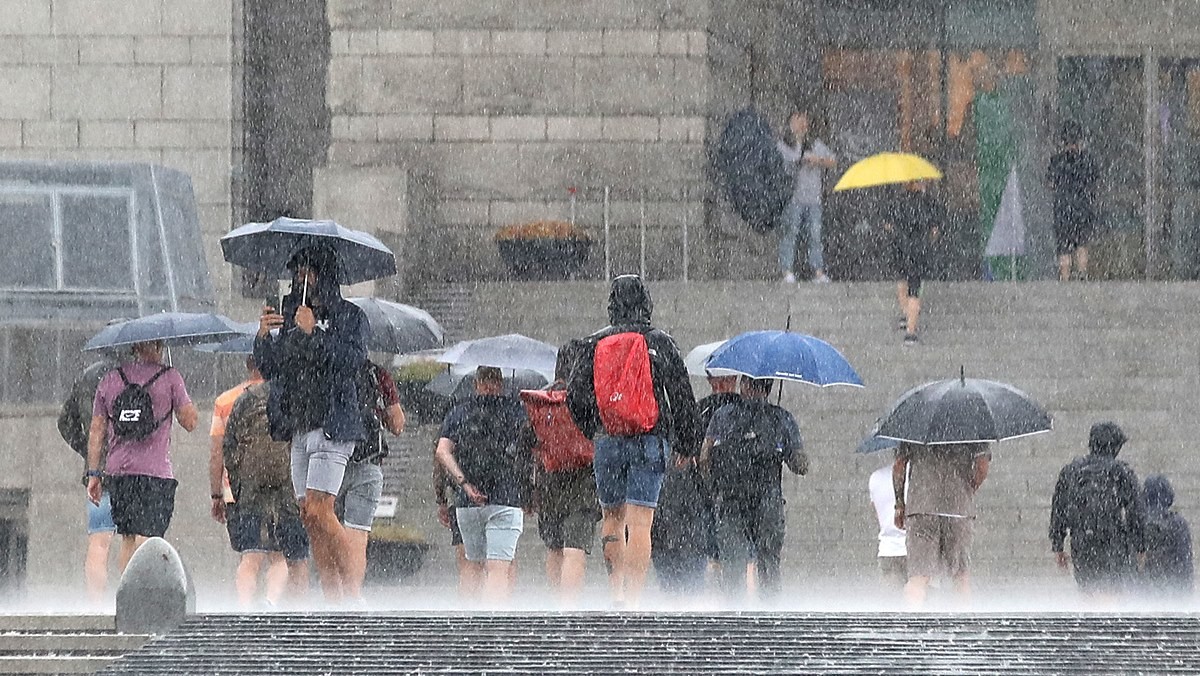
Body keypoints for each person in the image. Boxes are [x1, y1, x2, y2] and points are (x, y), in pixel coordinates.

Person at [566, 274, 699, 607]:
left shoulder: (593, 343)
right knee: (641, 520)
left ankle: (617, 592)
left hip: (609, 440)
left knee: (611, 517)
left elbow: (575, 395)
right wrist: (687, 442)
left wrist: (592, 427)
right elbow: (682, 396)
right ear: (646, 302)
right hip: (650, 440)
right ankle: (636, 598)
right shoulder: (661, 342)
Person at [254, 245, 369, 603]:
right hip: (299, 425)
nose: (302, 277)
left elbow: (352, 362)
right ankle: (334, 598)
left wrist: (314, 334)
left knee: (322, 508)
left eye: (309, 270)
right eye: (298, 270)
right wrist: (263, 338)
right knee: (309, 515)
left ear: (325, 274)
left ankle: (354, 595)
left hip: (331, 424)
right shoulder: (292, 315)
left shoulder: (349, 316)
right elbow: (273, 369)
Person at [85, 340, 198, 573]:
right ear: (158, 346)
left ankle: (126, 592)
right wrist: (177, 395)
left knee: (127, 537)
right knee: (150, 536)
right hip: (156, 473)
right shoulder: (170, 377)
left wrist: (94, 474)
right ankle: (144, 593)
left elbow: (97, 430)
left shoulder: (111, 379)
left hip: (120, 473)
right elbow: (190, 422)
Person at [700, 377, 807, 602]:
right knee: (769, 563)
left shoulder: (723, 415)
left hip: (730, 501)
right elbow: (801, 466)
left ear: (744, 386)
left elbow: (705, 457)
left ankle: (733, 620)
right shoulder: (782, 417)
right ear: (768, 388)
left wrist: (715, 488)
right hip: (768, 501)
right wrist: (781, 446)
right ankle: (771, 616)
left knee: (732, 567)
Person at [435, 366, 536, 604]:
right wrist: (530, 492)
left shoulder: (459, 411)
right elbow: (531, 453)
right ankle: (494, 628)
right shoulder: (517, 412)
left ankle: (467, 627)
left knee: (472, 567)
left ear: (476, 383)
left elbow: (442, 451)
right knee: (498, 569)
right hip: (505, 498)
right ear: (501, 383)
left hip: (467, 504)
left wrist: (465, 484)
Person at [218, 378, 311, 607]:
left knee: (251, 555)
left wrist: (239, 486)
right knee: (285, 556)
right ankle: (276, 604)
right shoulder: (299, 394)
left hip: (252, 486)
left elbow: (228, 447)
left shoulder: (244, 399)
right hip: (288, 486)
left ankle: (244, 607)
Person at [523, 342, 599, 606]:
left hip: (550, 481)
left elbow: (526, 442)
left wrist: (527, 490)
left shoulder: (542, 399)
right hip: (585, 482)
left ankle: (556, 604)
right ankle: (569, 607)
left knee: (554, 547)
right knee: (575, 547)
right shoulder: (588, 396)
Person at [651, 373, 735, 597]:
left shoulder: (701, 410)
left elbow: (692, 453)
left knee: (694, 556)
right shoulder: (729, 410)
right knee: (711, 556)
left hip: (695, 497)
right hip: (712, 496)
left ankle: (685, 597)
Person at [1049, 422, 1145, 599]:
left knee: (1088, 592)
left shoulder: (1071, 471)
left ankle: (1091, 622)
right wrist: (1139, 546)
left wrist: (1058, 545)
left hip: (1081, 542)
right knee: (1111, 593)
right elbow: (1136, 512)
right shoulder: (1121, 471)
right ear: (1115, 446)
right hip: (1113, 542)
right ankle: (1106, 624)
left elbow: (1058, 509)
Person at [336, 359, 406, 600]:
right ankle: (353, 597)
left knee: (327, 529)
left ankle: (333, 596)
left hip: (330, 461)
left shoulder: (323, 366)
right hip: (367, 462)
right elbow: (398, 425)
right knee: (357, 532)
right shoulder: (377, 374)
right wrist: (379, 415)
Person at [893, 442, 990, 607]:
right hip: (958, 510)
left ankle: (911, 624)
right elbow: (982, 466)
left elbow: (899, 466)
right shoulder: (974, 426)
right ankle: (963, 626)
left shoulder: (913, 423)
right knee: (960, 576)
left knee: (919, 576)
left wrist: (900, 503)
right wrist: (967, 489)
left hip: (922, 508)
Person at [58, 355, 117, 605]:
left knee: (99, 541)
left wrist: (88, 450)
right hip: (130, 470)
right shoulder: (129, 376)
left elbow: (64, 422)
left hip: (97, 472)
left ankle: (96, 605)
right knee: (135, 539)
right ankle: (134, 606)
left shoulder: (87, 376)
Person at [776, 106, 836, 284]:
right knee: (790, 233)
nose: (802, 123)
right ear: (790, 122)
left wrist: (818, 160)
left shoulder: (814, 144)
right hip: (793, 198)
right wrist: (799, 161)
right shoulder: (783, 144)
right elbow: (782, 164)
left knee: (815, 235)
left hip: (814, 198)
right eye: (798, 118)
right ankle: (787, 270)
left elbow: (833, 160)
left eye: (804, 118)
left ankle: (818, 271)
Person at [884, 180, 944, 345]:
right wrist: (928, 241)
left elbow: (888, 226)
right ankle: (911, 333)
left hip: (901, 247)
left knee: (902, 280)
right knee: (915, 290)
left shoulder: (898, 202)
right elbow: (934, 230)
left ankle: (906, 315)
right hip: (918, 249)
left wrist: (898, 236)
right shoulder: (927, 203)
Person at [1047, 120, 1100, 281]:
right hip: (1082, 207)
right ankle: (1082, 275)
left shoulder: (1056, 161)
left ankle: (1065, 279)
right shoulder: (1087, 160)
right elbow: (1094, 182)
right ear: (1080, 139)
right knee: (1082, 243)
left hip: (1063, 208)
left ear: (1063, 140)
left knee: (1063, 247)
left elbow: (1050, 184)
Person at [1141, 474, 1193, 599]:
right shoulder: (1179, 524)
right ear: (1169, 496)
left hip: (1144, 596)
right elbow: (1186, 567)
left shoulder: (1139, 523)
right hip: (1173, 594)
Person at [869, 458, 907, 592]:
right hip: (918, 551)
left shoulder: (875, 477)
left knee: (890, 605)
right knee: (923, 605)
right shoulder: (920, 478)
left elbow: (876, 512)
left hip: (887, 550)